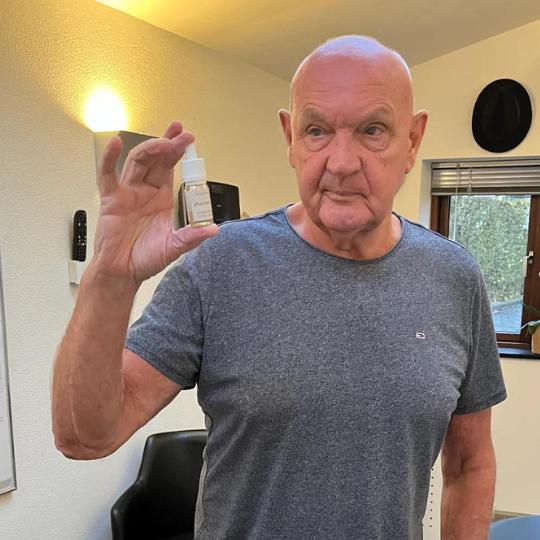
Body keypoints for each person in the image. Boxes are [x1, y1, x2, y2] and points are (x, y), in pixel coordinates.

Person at [52, 35, 506, 539]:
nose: (341, 162)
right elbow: (83, 437)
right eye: (317, 130)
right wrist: (109, 277)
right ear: (290, 137)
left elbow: (470, 463)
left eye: (372, 130)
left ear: (413, 140)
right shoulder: (221, 264)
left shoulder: (454, 278)